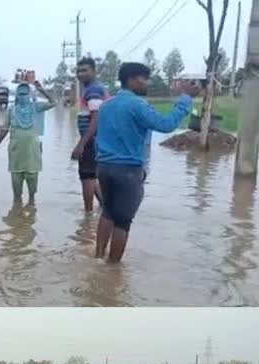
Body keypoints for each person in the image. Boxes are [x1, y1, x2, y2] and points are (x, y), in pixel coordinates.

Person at [94, 62, 199, 263]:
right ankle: (112, 270)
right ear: (132, 79)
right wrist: (185, 100)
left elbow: (100, 137)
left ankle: (97, 258)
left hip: (104, 167)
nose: (146, 83)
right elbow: (166, 125)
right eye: (144, 78)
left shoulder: (106, 105)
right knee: (123, 222)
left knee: (107, 212)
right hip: (127, 170)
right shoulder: (137, 105)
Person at [0, 82, 56, 205]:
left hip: (32, 153)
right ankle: (17, 212)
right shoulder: (11, 110)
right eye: (20, 93)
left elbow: (53, 102)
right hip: (16, 153)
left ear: (29, 94)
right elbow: (4, 129)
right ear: (17, 95)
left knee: (32, 190)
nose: (23, 96)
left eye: (25, 93)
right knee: (16, 190)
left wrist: (41, 89)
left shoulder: (36, 107)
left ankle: (30, 210)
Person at [72, 58, 110, 212]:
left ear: (94, 71)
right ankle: (104, 206)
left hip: (91, 140)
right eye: (78, 71)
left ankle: (87, 215)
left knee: (87, 177)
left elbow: (96, 118)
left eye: (85, 70)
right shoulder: (92, 89)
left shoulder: (93, 90)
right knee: (90, 175)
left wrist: (82, 144)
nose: (81, 74)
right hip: (94, 139)